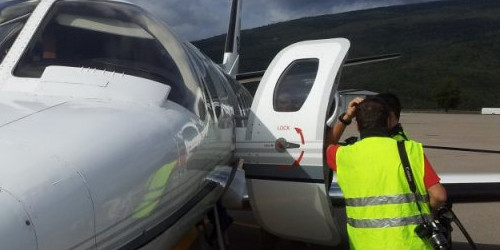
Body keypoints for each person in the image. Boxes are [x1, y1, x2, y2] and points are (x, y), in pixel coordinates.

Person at [325, 97, 447, 249]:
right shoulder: (410, 149)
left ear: (357, 125)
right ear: (389, 121)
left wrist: (346, 117)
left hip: (365, 245)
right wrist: (427, 211)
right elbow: (439, 195)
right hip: (412, 245)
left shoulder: (341, 155)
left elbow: (326, 144)